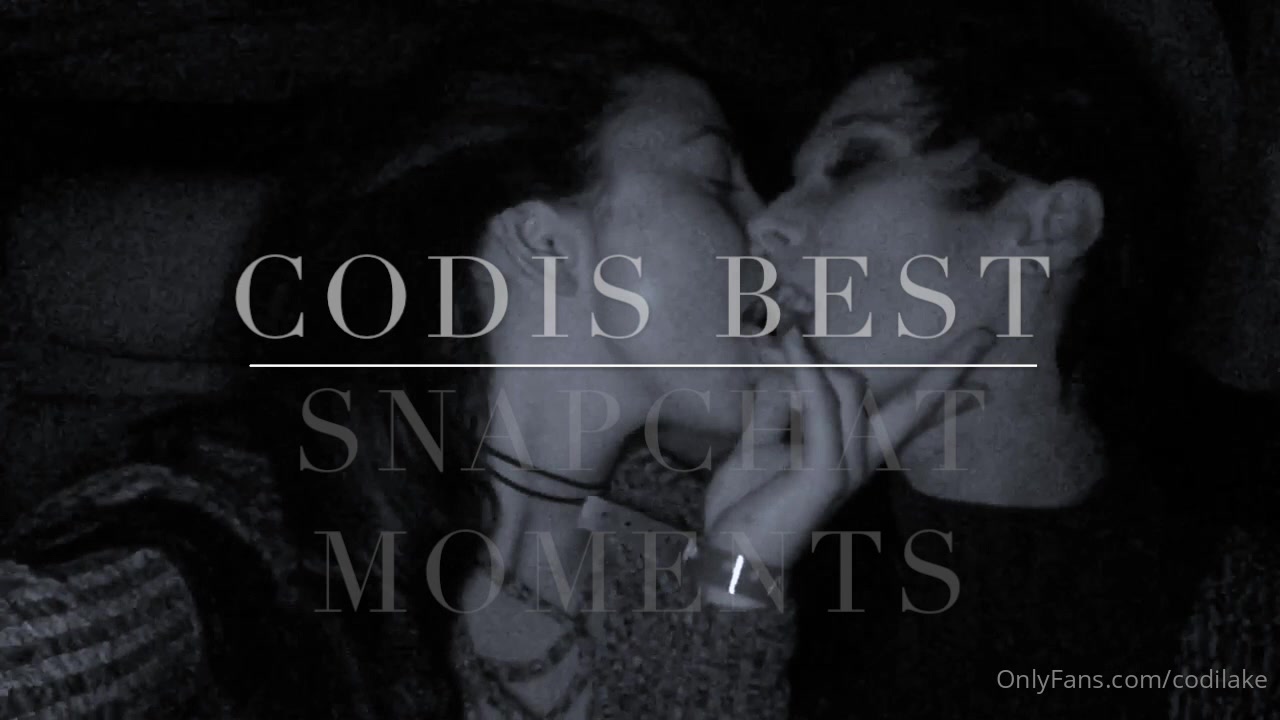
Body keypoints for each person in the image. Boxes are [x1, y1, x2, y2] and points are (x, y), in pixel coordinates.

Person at [0, 6, 987, 718]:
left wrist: (736, 583)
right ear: (541, 238)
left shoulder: (709, 553)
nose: (768, 229)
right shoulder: (243, 533)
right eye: (716, 177)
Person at [752, 4, 1280, 718]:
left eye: (852, 163)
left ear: (1051, 225)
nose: (767, 221)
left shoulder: (1233, 631)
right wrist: (731, 587)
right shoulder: (768, 543)